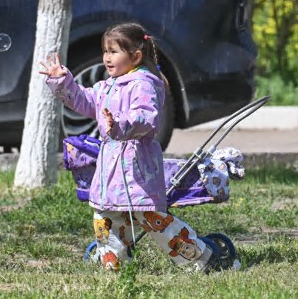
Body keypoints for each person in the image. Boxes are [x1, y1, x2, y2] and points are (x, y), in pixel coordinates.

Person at [40, 22, 215, 272]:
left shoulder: (143, 84)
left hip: (137, 167)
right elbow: (84, 101)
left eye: (114, 51)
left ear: (135, 56)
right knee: (106, 218)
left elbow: (147, 117)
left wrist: (120, 124)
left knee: (152, 218)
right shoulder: (109, 85)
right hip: (111, 169)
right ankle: (115, 265)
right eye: (105, 51)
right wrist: (62, 82)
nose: (107, 58)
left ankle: (200, 259)